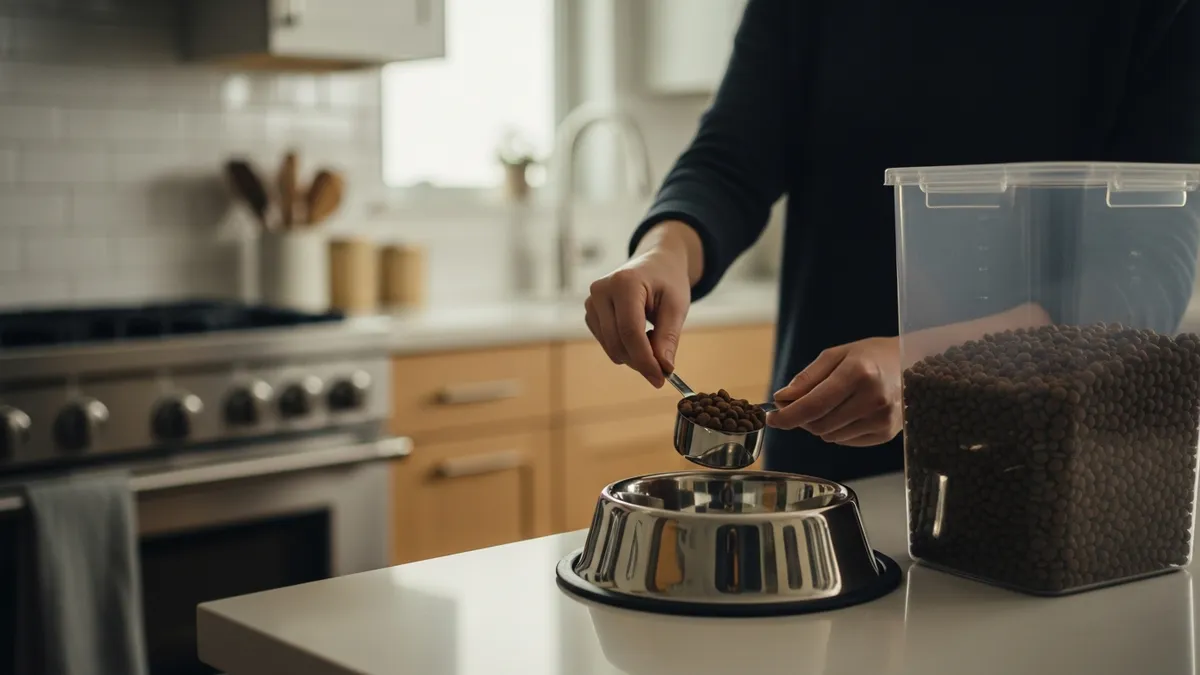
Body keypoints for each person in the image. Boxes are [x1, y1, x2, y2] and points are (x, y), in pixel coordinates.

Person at [583, 0, 1200, 482]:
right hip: (831, 474)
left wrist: (931, 367)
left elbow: (1142, 277)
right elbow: (733, 155)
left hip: (1053, 478)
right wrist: (664, 249)